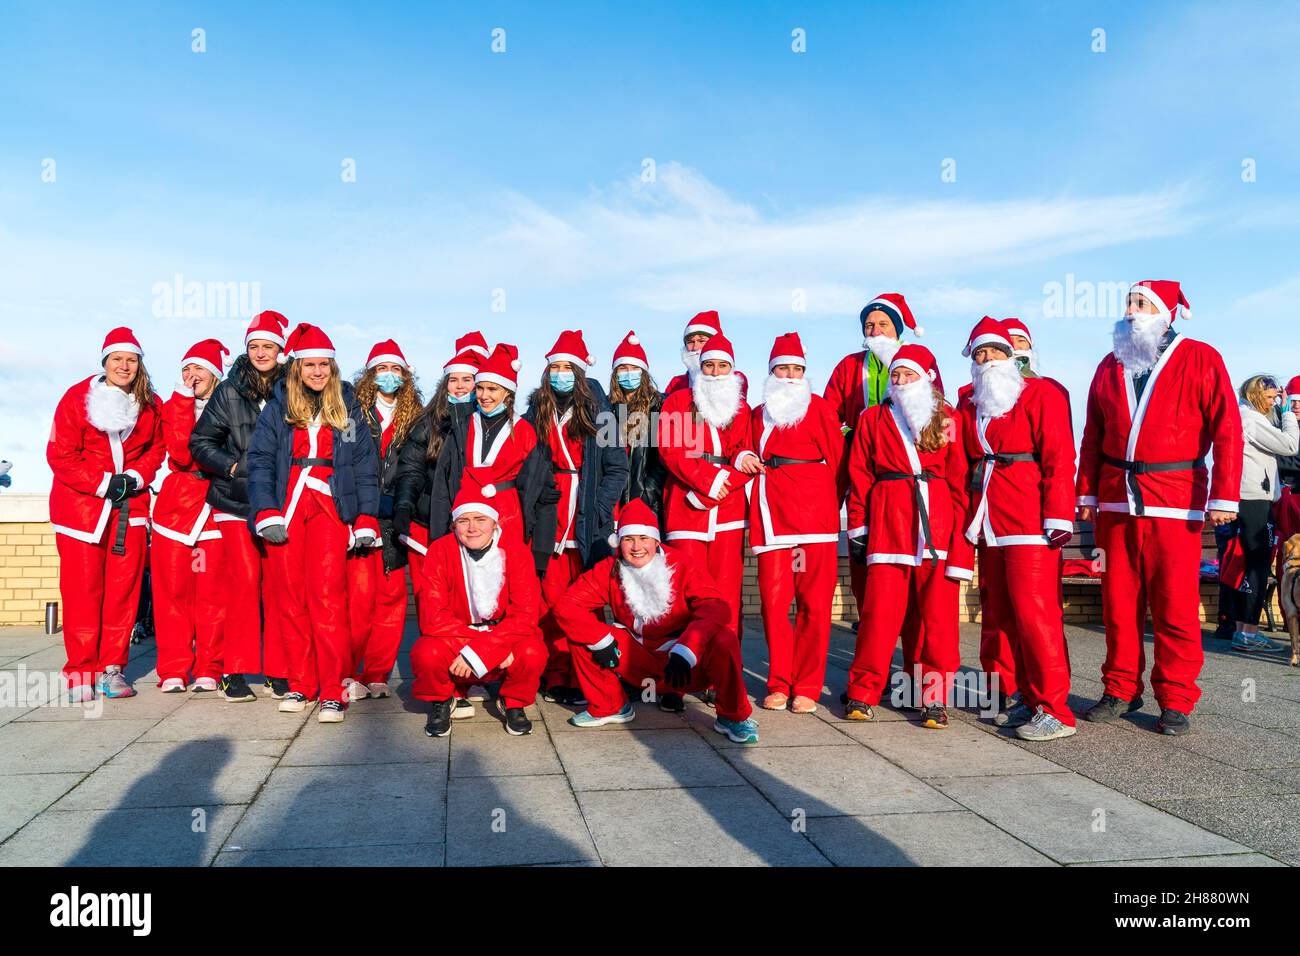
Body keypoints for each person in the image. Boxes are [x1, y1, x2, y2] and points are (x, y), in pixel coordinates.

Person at [1076, 280, 1242, 736]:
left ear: (1167, 313)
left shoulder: (1201, 357)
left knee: (1176, 605)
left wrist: (1224, 496)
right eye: (1128, 303)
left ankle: (1175, 697)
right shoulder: (1110, 364)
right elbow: (1092, 433)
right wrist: (1086, 491)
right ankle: (1120, 689)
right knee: (1118, 602)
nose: (1131, 311)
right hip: (1115, 500)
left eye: (1141, 304)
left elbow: (1227, 429)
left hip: (1176, 497)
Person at [246, 323, 380, 724]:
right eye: (310, 365)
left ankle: (332, 689)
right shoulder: (277, 407)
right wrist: (266, 509)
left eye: (325, 364)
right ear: (297, 368)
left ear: (333, 368)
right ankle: (301, 682)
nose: (318, 372)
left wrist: (366, 516)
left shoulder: (349, 407)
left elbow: (363, 462)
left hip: (330, 507)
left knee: (327, 599)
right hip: (287, 507)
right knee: (289, 599)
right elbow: (260, 461)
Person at [955, 318, 1077, 741]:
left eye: (995, 351)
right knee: (1003, 615)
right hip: (989, 522)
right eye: (979, 353)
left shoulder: (1041, 394)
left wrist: (1059, 516)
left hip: (1029, 522)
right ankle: (1026, 696)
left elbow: (1060, 457)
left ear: (1012, 355)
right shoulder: (970, 404)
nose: (987, 359)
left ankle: (1056, 709)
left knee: (1036, 615)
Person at [554, 499, 759, 743]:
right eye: (629, 539)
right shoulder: (609, 568)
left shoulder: (683, 564)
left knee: (724, 639)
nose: (637, 546)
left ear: (656, 541)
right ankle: (610, 706)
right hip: (636, 661)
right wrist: (601, 640)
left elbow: (716, 607)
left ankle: (732, 716)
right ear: (619, 543)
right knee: (583, 635)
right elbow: (567, 606)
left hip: (682, 665)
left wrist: (688, 648)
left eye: (644, 538)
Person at [844, 344, 972, 729]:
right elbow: (860, 477)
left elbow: (960, 483)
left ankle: (933, 699)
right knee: (878, 617)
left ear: (927, 379)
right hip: (888, 529)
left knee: (938, 621)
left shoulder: (948, 419)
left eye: (908, 375)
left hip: (937, 530)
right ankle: (863, 691)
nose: (899, 382)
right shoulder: (871, 419)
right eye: (895, 375)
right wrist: (859, 527)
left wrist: (961, 548)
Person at [47, 327, 165, 701]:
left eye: (131, 360)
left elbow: (157, 449)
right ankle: (80, 672)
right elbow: (59, 454)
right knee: (82, 591)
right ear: (105, 362)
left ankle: (111, 669)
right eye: (117, 359)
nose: (124, 366)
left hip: (130, 509)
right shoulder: (76, 399)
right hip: (82, 511)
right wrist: (102, 483)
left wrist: (134, 477)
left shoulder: (150, 403)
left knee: (123, 592)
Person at [190, 309, 291, 702]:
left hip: (282, 502)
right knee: (244, 585)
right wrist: (232, 466)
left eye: (268, 346)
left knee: (281, 587)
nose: (261, 352)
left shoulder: (294, 389)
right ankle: (234, 670)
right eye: (254, 346)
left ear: (281, 351)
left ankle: (279, 671)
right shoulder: (229, 389)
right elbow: (201, 443)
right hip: (235, 502)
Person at [523, 330, 628, 703]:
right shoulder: (536, 411)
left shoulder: (601, 413)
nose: (561, 373)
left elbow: (618, 468)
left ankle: (586, 675)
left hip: (586, 517)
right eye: (555, 367)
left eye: (568, 367)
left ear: (580, 372)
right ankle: (555, 675)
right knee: (549, 602)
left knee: (584, 602)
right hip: (550, 513)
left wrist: (600, 509)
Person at [748, 333, 842, 714]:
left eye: (796, 369)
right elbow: (744, 450)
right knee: (773, 604)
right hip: (773, 518)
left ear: (805, 373)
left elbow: (837, 460)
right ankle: (778, 683)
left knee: (814, 605)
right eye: (782, 368)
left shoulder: (819, 408)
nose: (789, 375)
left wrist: (824, 501)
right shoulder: (758, 413)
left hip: (815, 521)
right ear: (771, 373)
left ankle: (807, 685)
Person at [411, 486, 547, 738]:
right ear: (454, 526)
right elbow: (433, 616)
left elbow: (525, 615)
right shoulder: (440, 551)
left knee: (533, 651)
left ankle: (513, 701)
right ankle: (443, 699)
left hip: (504, 634)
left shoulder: (516, 551)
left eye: (480, 519)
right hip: (458, 636)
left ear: (494, 522)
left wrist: (492, 645)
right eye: (464, 520)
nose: (472, 528)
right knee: (426, 653)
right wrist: (482, 647)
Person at [823, 293, 924, 622]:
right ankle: (871, 615)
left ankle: (907, 616)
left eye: (883, 324)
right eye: (870, 325)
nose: (876, 331)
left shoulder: (919, 362)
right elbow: (829, 416)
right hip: (860, 468)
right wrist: (851, 436)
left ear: (897, 330)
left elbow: (935, 410)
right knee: (861, 538)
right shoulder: (849, 366)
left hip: (908, 473)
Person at [656, 332, 759, 637]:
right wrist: (706, 482)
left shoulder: (741, 408)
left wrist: (738, 461)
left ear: (732, 369)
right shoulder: (677, 401)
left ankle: (722, 667)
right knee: (684, 591)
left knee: (727, 592)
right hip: (685, 505)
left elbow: (745, 452)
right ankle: (685, 665)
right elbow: (670, 451)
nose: (715, 372)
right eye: (709, 366)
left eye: (721, 366)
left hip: (728, 511)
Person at [343, 340, 423, 701]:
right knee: (358, 599)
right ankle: (349, 672)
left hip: (396, 514)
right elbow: (343, 459)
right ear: (370, 375)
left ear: (404, 376)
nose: (388, 376)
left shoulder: (417, 414)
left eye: (395, 370)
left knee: (392, 599)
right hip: (362, 511)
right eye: (381, 370)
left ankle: (377, 673)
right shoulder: (351, 413)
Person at [152, 338, 229, 693]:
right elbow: (181, 454)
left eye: (199, 368)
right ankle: (172, 668)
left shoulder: (229, 407)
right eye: (186, 368)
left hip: (213, 514)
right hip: (175, 513)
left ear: (214, 375)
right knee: (172, 593)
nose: (191, 375)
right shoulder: (173, 407)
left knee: (211, 595)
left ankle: (209, 667)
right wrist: (182, 403)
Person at [1232, 374, 1299, 651]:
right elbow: (1290, 446)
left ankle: (1244, 630)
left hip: (1255, 496)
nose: (1275, 403)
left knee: (1254, 565)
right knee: (1257, 566)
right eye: (1270, 398)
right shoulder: (1251, 419)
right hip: (1255, 498)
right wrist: (1286, 415)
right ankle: (1247, 632)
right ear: (1258, 396)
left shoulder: (1248, 417)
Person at [607, 330, 667, 519]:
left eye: (634, 368)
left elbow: (661, 459)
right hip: (614, 501)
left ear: (643, 373)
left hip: (647, 501)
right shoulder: (607, 407)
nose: (628, 373)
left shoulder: (658, 405)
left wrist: (647, 493)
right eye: (623, 368)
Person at [663, 310, 748, 398]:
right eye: (690, 342)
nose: (695, 347)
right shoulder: (677, 382)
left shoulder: (735, 380)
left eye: (702, 341)